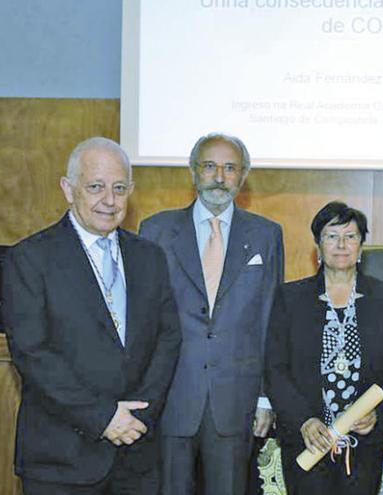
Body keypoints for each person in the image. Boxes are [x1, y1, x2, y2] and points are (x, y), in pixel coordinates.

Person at [2, 137, 181, 493]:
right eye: (95, 187)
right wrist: (104, 417)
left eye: (119, 188)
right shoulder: (30, 258)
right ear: (68, 190)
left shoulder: (150, 257)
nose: (109, 201)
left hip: (137, 453)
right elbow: (32, 354)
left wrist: (136, 417)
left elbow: (168, 337)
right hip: (61, 458)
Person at [138, 132, 284, 495]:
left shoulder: (266, 235)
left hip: (236, 400)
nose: (220, 176)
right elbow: (144, 322)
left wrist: (265, 397)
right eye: (209, 166)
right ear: (193, 171)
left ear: (244, 175)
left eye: (230, 167)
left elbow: (270, 320)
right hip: (171, 397)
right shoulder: (156, 230)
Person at [265, 201, 383, 494]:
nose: (341, 244)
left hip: (364, 442)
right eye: (332, 236)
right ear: (318, 245)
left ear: (361, 245)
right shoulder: (290, 298)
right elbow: (275, 368)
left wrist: (379, 414)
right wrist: (303, 420)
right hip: (307, 439)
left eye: (351, 236)